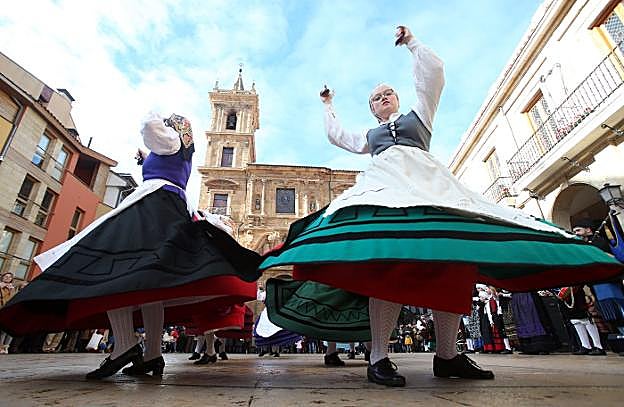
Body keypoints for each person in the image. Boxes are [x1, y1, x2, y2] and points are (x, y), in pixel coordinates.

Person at [259, 25, 622, 387]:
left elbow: (432, 76)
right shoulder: (371, 137)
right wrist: (328, 106)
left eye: (388, 93)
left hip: (432, 187)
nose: (383, 98)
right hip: (385, 191)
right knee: (388, 266)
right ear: (371, 109)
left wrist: (413, 43)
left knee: (451, 263)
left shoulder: (419, 117)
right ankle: (379, 356)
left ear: (397, 98)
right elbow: (338, 136)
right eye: (376, 98)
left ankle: (448, 355)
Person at [0, 112, 261, 379]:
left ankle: (125, 345)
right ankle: (152, 354)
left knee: (116, 268)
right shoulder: (179, 151)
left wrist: (159, 116)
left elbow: (149, 125)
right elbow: (162, 158)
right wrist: (147, 159)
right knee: (147, 283)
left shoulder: (171, 141)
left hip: (154, 205)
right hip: (167, 206)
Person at [0, 272, 17, 354]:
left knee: (8, 330)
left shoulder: (12, 288)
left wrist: (11, 290)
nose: (7, 278)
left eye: (9, 277)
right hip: (1, 308)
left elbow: (14, 299)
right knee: (2, 330)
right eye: (6, 276)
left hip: (9, 310)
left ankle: (6, 347)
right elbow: (3, 298)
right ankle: (0, 347)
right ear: (2, 277)